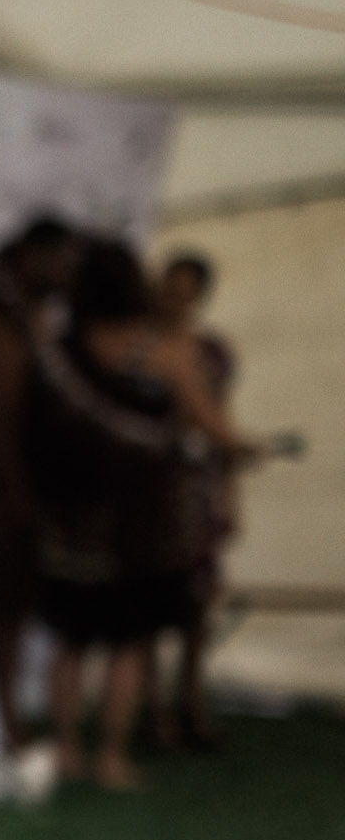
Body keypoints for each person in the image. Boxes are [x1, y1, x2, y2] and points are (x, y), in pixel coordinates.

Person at [24, 240, 255, 790]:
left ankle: (66, 748)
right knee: (127, 642)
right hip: (141, 522)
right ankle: (110, 757)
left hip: (71, 518)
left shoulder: (58, 349)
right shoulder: (165, 352)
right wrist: (246, 449)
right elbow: (214, 428)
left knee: (72, 640)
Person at [0, 216, 81, 755]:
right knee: (5, 610)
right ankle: (1, 720)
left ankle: (10, 714)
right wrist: (12, 492)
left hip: (27, 490)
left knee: (17, 608)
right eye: (60, 262)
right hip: (10, 493)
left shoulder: (24, 319)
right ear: (30, 256)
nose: (67, 275)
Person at [154, 252, 236, 749]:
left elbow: (222, 421)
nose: (175, 300)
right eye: (171, 288)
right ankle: (156, 710)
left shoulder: (213, 353)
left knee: (198, 602)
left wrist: (229, 493)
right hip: (155, 486)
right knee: (150, 600)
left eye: (186, 292)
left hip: (198, 488)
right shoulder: (144, 346)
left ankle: (190, 702)